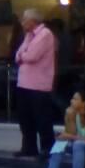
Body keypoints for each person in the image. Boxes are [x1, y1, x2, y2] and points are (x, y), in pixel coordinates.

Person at [15, 8, 57, 157]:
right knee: (25, 118)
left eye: (24, 19)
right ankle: (29, 147)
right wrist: (22, 55)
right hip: (23, 83)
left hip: (39, 84)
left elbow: (32, 56)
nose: (22, 22)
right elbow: (17, 55)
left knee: (42, 118)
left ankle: (47, 148)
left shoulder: (45, 34)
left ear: (33, 21)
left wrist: (23, 55)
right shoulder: (28, 35)